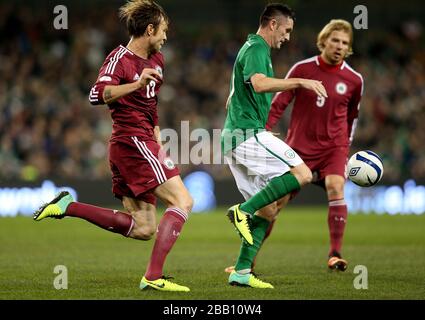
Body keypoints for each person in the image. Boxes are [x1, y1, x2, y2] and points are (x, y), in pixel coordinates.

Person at [33, 0, 193, 292]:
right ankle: (153, 277)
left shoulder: (158, 60)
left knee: (144, 228)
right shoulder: (120, 58)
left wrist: (157, 134)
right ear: (149, 29)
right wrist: (134, 85)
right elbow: (96, 94)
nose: (166, 37)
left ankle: (69, 207)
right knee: (183, 201)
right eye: (163, 31)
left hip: (140, 142)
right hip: (131, 141)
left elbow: (151, 102)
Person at [225, 19, 364, 274]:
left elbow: (351, 118)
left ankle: (335, 253)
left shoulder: (354, 79)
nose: (339, 46)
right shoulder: (302, 68)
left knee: (336, 186)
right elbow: (278, 103)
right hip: (299, 146)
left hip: (334, 148)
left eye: (345, 43)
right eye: (335, 40)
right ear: (324, 41)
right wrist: (264, 129)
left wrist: (345, 149)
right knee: (274, 206)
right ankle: (247, 262)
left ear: (348, 48)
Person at [221, 3, 327, 289]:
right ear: (272, 24)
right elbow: (258, 84)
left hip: (236, 137)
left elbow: (234, 95)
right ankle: (242, 210)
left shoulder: (250, 49)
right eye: (287, 30)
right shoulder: (256, 48)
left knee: (268, 211)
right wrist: (299, 82)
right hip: (246, 134)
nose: (288, 37)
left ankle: (241, 272)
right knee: (302, 174)